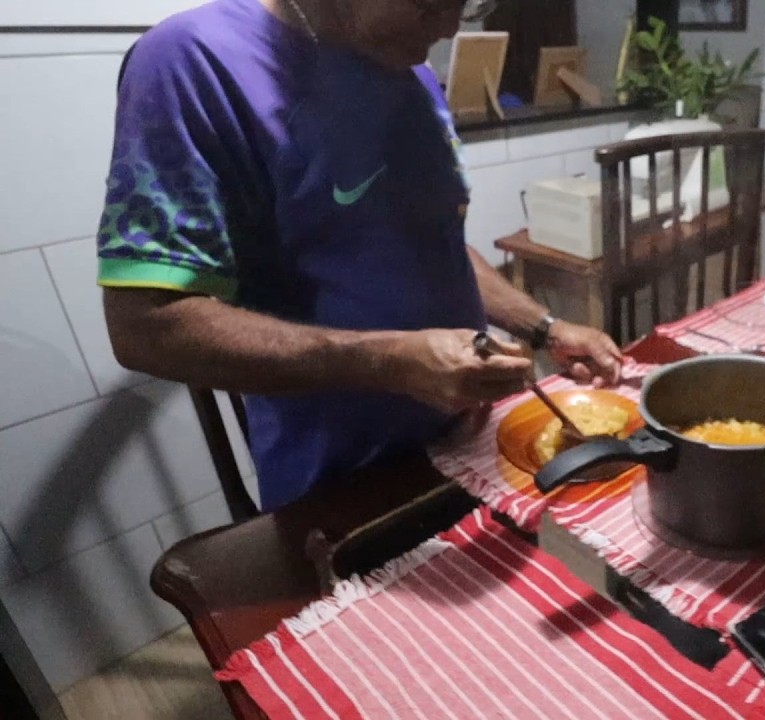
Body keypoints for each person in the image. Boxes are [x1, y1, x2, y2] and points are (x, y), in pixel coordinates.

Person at [97, 0, 623, 511]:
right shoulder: (193, 60)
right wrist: (388, 361)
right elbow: (144, 327)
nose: (447, 28)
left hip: (473, 444)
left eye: (463, 5)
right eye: (428, 4)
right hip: (349, 490)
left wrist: (544, 327)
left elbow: (432, 245)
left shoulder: (409, 71)